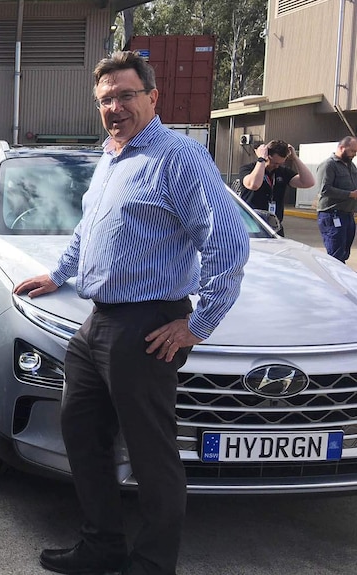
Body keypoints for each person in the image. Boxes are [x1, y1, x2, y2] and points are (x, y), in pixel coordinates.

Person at [13, 51, 249, 575]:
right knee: (81, 430)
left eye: (124, 96)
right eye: (105, 100)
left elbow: (229, 240)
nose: (114, 107)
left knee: (151, 453)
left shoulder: (176, 157)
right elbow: (89, 228)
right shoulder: (112, 156)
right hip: (98, 321)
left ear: (153, 98)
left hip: (146, 327)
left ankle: (152, 562)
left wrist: (198, 324)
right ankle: (103, 544)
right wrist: (60, 273)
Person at [235, 139, 315, 237]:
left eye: (280, 163)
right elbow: (254, 185)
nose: (276, 166)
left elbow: (308, 182)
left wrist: (295, 158)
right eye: (273, 162)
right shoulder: (248, 169)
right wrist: (261, 160)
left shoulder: (282, 172)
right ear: (266, 155)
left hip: (274, 226)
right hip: (252, 226)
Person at [315, 136, 357, 262]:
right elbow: (324, 189)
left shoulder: (351, 166)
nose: (354, 155)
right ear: (341, 148)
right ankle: (333, 280)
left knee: (344, 253)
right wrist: (349, 194)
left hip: (348, 215)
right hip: (332, 215)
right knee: (336, 255)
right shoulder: (329, 165)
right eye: (352, 151)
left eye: (355, 152)